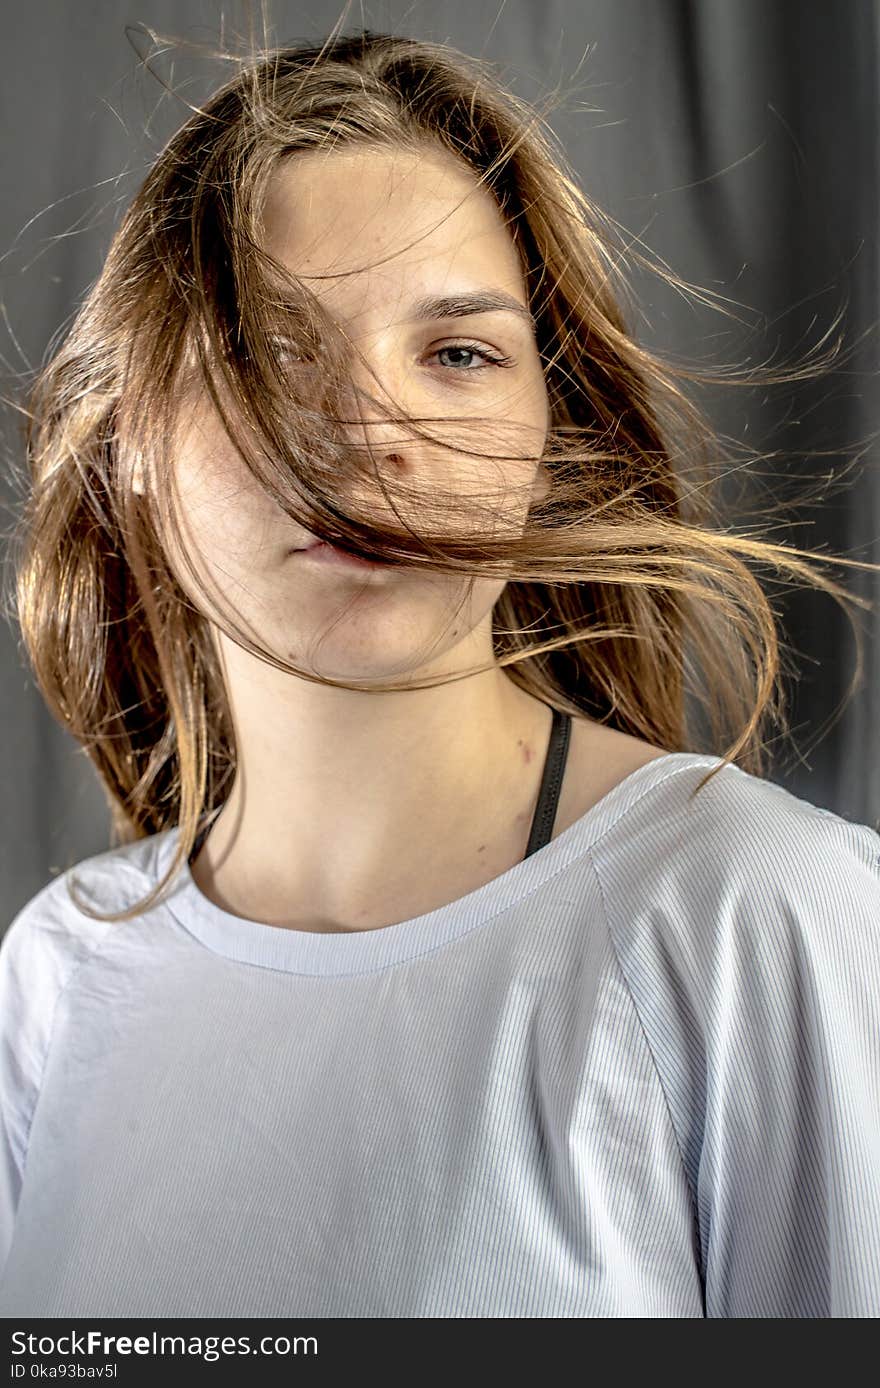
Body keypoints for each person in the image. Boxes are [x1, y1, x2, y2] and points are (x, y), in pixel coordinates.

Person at [0, 27, 878, 1319]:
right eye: (267, 349)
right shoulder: (59, 977)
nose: (371, 439)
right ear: (129, 436)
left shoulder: (749, 912)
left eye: (458, 354)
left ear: (550, 432)